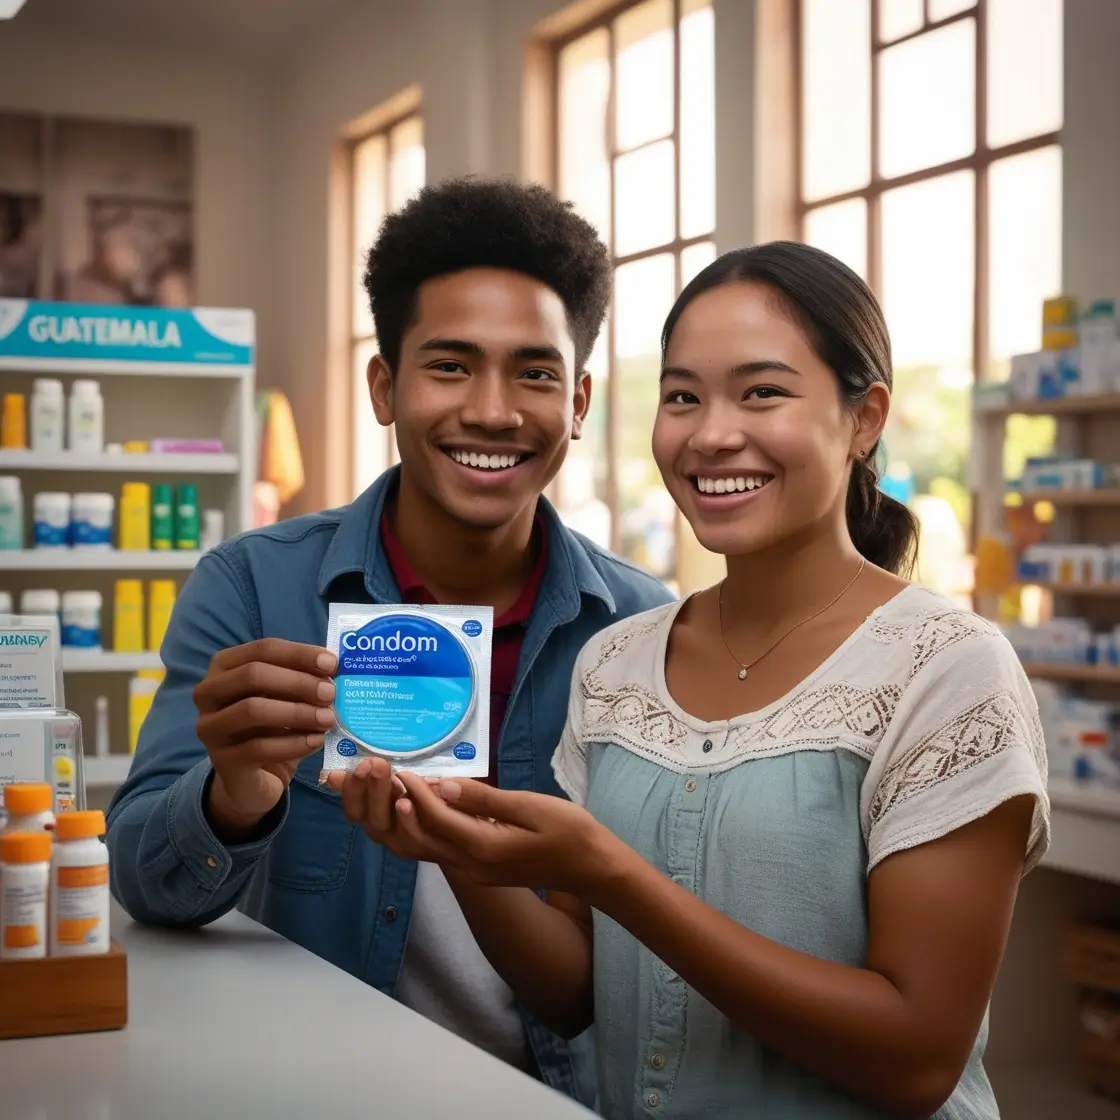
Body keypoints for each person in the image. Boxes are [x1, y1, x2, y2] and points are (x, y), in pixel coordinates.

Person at [338, 242, 1051, 1119]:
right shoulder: (618, 662)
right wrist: (453, 848)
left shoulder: (946, 670)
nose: (711, 434)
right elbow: (572, 995)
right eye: (682, 396)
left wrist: (617, 877)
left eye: (762, 392)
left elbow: (914, 1061)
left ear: (864, 418)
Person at [105, 176, 674, 1108]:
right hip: (308, 1088)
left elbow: (620, 971)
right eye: (449, 365)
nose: (492, 411)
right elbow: (149, 887)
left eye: (534, 373)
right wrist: (232, 798)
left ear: (576, 401)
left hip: (549, 1095)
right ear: (384, 384)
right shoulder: (253, 588)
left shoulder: (638, 627)